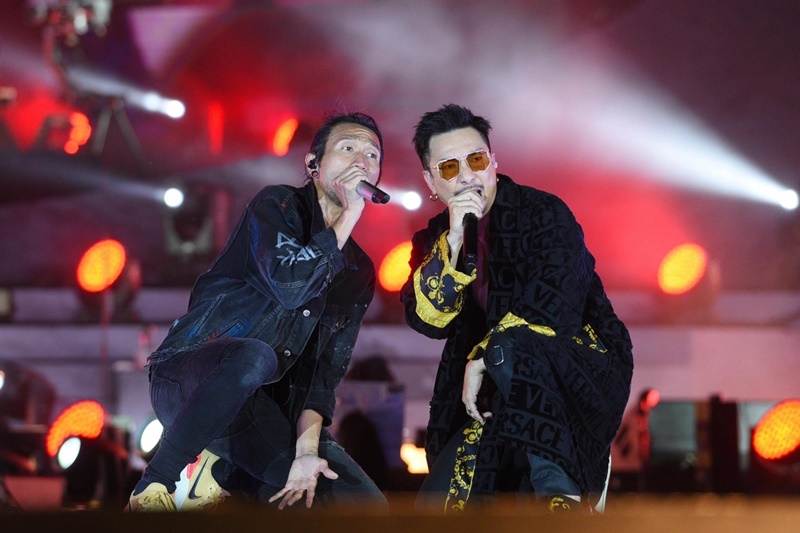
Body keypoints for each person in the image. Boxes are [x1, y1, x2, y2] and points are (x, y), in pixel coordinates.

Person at [127, 111, 388, 512]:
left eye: (372, 155)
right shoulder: (277, 205)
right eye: (348, 148)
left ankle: (219, 471)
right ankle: (155, 484)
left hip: (262, 408)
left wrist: (305, 455)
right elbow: (290, 286)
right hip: (191, 380)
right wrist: (350, 213)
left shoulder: (358, 270)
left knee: (360, 508)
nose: (361, 161)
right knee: (255, 356)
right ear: (313, 165)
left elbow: (320, 376)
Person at [401, 104, 633, 513]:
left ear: (493, 162)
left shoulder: (544, 213)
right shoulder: (435, 237)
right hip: (486, 398)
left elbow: (559, 300)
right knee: (438, 505)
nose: (467, 176)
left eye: (476, 160)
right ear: (431, 181)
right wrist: (452, 244)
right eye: (450, 167)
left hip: (566, 374)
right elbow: (427, 320)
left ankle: (563, 496)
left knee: (510, 348)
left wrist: (485, 354)